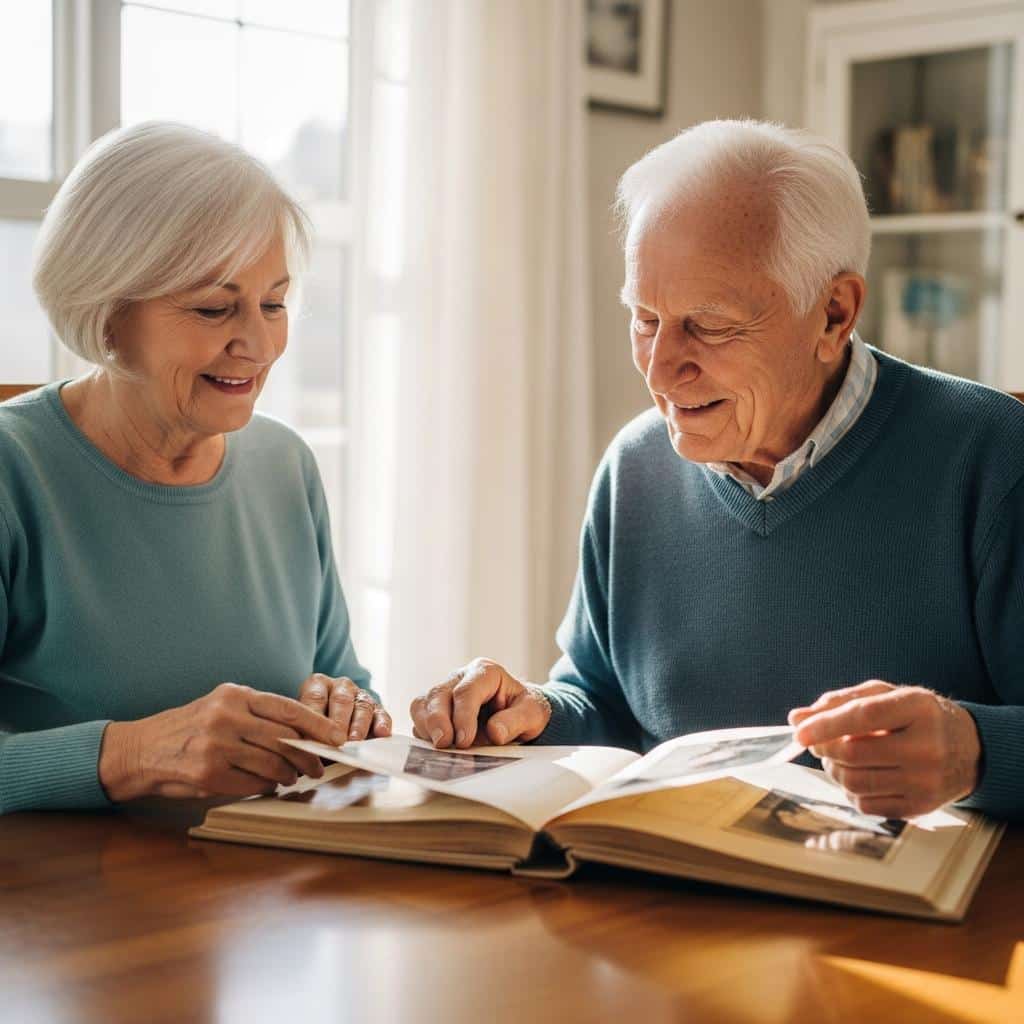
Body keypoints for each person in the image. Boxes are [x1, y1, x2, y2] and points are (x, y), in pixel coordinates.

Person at [410, 119, 1024, 822]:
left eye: (708, 324)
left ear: (833, 313)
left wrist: (974, 750)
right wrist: (528, 712)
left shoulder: (994, 457)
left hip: (917, 922)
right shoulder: (635, 468)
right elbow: (603, 701)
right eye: (645, 319)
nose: (662, 367)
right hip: (674, 908)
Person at [0, 122, 392, 814]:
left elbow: (345, 681)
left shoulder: (284, 467)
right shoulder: (15, 473)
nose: (259, 343)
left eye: (273, 302)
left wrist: (349, 712)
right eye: (214, 307)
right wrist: (134, 753)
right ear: (108, 314)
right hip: (63, 909)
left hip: (260, 900)